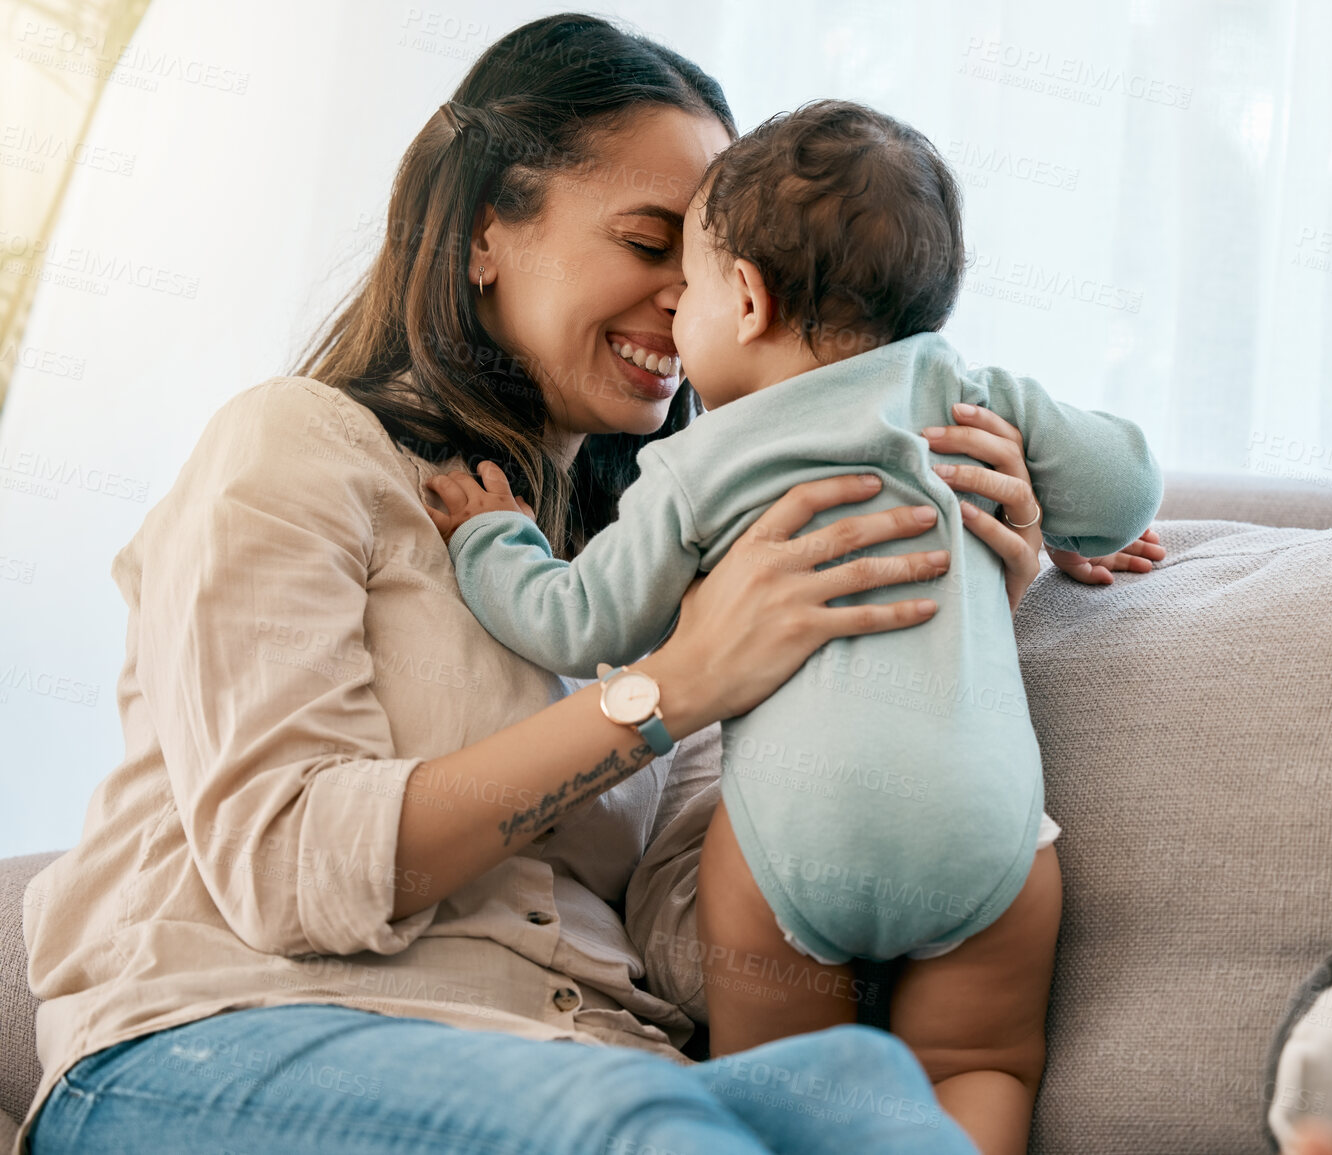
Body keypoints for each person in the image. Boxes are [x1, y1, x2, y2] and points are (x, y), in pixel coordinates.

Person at [18, 14, 1160, 1155]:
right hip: (237, 1037)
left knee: (866, 1100)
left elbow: (695, 947)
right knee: (637, 1122)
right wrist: (668, 688)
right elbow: (288, 870)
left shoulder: (682, 550)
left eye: (710, 259)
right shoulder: (298, 447)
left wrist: (919, 625)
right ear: (482, 233)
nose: (689, 295)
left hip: (591, 1055)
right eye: (650, 240)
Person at [422, 98, 1161, 1155]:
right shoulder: (966, 394)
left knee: (788, 1094)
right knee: (980, 1063)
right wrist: (1068, 507)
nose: (672, 312)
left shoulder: (696, 466)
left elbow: (578, 619)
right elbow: (1128, 482)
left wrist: (493, 541)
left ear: (750, 301)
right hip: (986, 839)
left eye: (689, 285)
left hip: (790, 851)